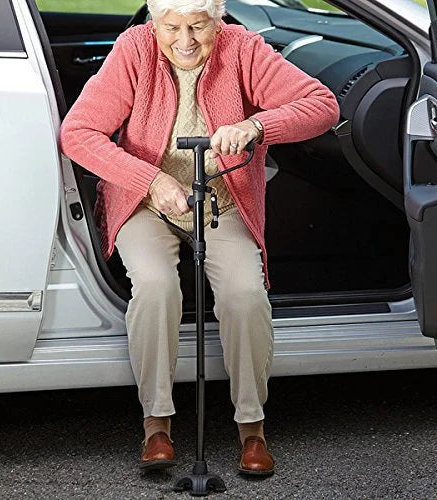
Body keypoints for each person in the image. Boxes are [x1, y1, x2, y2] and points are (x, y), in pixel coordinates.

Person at [60, 0, 339, 476]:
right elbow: (79, 132)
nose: (185, 40)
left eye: (199, 25)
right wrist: (150, 181)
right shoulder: (134, 50)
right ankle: (157, 424)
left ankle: (252, 428)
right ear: (154, 21)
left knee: (245, 294)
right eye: (172, 27)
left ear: (220, 18)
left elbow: (323, 106)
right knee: (154, 286)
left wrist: (257, 125)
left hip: (221, 199)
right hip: (145, 202)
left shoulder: (242, 49)